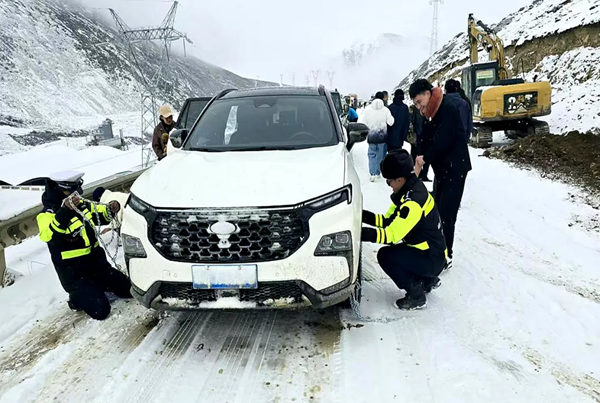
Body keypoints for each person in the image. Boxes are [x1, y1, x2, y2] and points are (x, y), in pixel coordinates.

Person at [36, 171, 133, 320]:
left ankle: (99, 285)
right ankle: (76, 299)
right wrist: (64, 212)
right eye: (72, 191)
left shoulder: (80, 204)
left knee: (129, 290)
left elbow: (98, 212)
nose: (76, 195)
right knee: (101, 311)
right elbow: (50, 236)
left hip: (98, 266)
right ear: (59, 190)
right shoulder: (47, 215)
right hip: (76, 275)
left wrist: (110, 209)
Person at [361, 150, 447, 309]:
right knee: (398, 253)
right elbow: (387, 221)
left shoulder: (412, 203)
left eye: (389, 182)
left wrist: (361, 234)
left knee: (386, 256)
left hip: (432, 257)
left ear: (400, 179)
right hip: (428, 250)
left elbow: (390, 235)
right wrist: (362, 216)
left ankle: (416, 294)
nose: (389, 185)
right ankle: (426, 280)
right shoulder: (408, 189)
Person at [409, 79, 472, 268]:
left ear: (428, 94)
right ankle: (438, 248)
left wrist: (424, 158)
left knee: (447, 213)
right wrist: (419, 158)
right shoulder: (430, 112)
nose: (419, 106)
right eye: (416, 104)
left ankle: (446, 255)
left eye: (420, 101)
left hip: (455, 168)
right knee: (436, 209)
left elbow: (441, 141)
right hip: (443, 169)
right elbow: (425, 138)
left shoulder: (447, 109)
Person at [359, 91, 394, 182]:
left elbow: (363, 123)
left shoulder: (367, 109)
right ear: (382, 98)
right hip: (382, 137)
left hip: (371, 136)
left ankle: (372, 173)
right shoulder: (386, 110)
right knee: (380, 155)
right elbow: (391, 122)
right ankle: (378, 172)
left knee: (371, 155)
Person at [410, 104, 431, 182]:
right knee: (425, 156)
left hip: (417, 135)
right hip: (425, 135)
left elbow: (412, 121)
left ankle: (416, 174)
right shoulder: (428, 108)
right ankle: (423, 174)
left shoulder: (413, 109)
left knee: (415, 155)